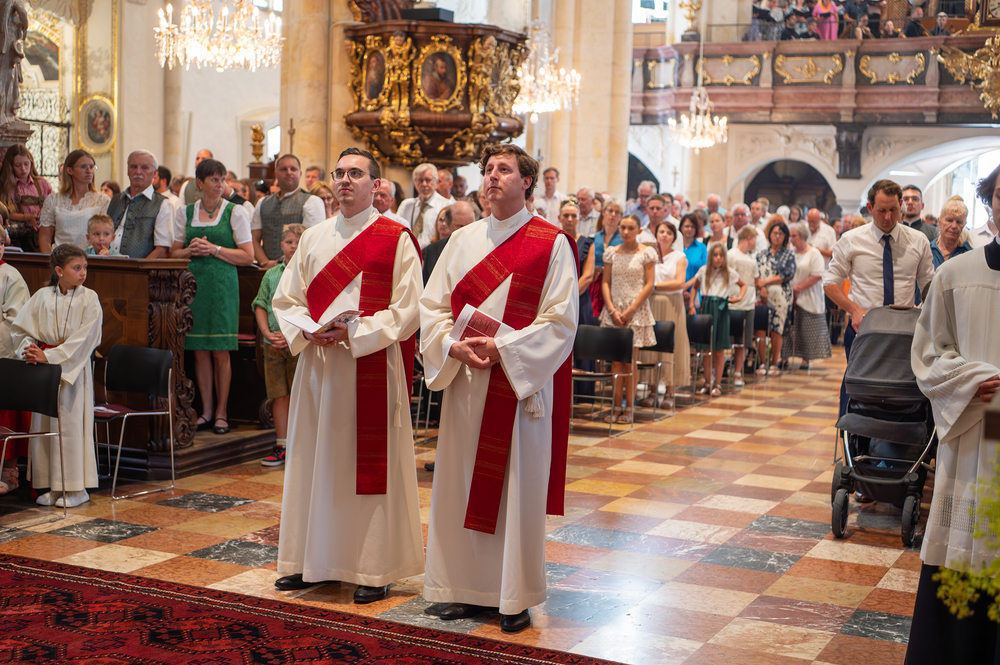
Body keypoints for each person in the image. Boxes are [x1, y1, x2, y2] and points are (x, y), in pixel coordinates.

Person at [419, 143, 577, 633]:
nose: (492, 177)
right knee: (462, 485)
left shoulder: (551, 243)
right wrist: (450, 345)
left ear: (527, 181)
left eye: (504, 170)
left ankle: (514, 596)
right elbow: (433, 308)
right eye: (488, 169)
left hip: (518, 388)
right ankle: (462, 588)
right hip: (467, 384)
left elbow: (560, 321)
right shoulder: (461, 240)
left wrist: (503, 348)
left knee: (515, 491)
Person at [271, 147, 423, 603]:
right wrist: (306, 329)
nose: (344, 180)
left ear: (375, 185)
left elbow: (409, 309)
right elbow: (287, 299)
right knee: (314, 462)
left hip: (368, 365)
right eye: (339, 173)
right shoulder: (314, 238)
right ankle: (312, 561)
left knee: (365, 468)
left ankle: (372, 568)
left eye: (355, 173)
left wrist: (355, 331)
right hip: (319, 370)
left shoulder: (396, 238)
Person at [904, 165, 1000, 665]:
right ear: (991, 202)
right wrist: (969, 380)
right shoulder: (956, 275)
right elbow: (927, 354)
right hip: (976, 423)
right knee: (965, 535)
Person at [824, 179, 935, 421]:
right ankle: (853, 435)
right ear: (870, 207)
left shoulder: (918, 241)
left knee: (902, 392)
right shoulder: (851, 240)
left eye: (893, 210)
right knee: (858, 386)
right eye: (881, 210)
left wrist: (923, 312)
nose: (887, 217)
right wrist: (854, 309)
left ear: (901, 205)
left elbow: (929, 286)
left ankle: (899, 439)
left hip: (904, 332)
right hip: (863, 328)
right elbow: (830, 282)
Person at [11, 244, 102, 508]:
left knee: (70, 428)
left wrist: (49, 356)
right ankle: (52, 485)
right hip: (43, 370)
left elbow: (87, 338)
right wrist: (30, 350)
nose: (83, 273)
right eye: (77, 268)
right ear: (59, 271)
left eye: (85, 267)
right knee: (45, 427)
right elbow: (20, 329)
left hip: (72, 372)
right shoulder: (42, 296)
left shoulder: (89, 298)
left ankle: (75, 489)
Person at [170, 158, 255, 436]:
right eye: (214, 180)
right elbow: (174, 253)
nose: (220, 185)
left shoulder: (235, 212)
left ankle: (222, 412)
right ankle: (206, 411)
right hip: (193, 287)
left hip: (222, 287)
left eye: (223, 180)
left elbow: (248, 256)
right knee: (200, 351)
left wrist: (214, 249)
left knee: (220, 350)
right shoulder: (185, 212)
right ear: (200, 183)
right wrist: (190, 251)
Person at [253, 224, 304, 468]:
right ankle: (282, 445)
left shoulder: (307, 274)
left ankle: (301, 446)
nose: (294, 246)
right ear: (282, 245)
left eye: (299, 242)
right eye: (290, 242)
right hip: (272, 343)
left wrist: (292, 334)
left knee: (300, 394)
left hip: (298, 343)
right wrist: (265, 332)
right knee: (278, 395)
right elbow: (260, 304)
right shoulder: (272, 274)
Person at [600, 214, 657, 423]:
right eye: (622, 227)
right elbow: (605, 282)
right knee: (615, 360)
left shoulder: (646, 253)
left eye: (630, 228)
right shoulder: (612, 252)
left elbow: (650, 284)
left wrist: (631, 310)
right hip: (614, 310)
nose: (625, 232)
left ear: (639, 231)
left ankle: (629, 408)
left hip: (636, 310)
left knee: (630, 360)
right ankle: (616, 407)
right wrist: (612, 310)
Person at [639, 221, 689, 406]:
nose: (665, 235)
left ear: (674, 237)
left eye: (669, 232)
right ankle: (652, 391)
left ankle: (669, 392)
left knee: (672, 345)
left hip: (671, 303)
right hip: (651, 302)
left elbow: (679, 282)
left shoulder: (679, 256)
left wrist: (653, 286)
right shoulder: (649, 254)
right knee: (653, 345)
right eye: (661, 232)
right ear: (656, 235)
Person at [688, 242, 746, 396]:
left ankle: (718, 384)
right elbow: (695, 287)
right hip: (707, 308)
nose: (718, 258)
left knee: (719, 350)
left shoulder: (729, 272)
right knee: (706, 349)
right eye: (715, 255)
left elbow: (744, 285)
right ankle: (707, 383)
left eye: (721, 255)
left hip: (721, 311)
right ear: (710, 257)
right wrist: (692, 305)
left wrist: (739, 298)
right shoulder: (704, 270)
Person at [251, 154, 326, 268]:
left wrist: (278, 263)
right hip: (265, 268)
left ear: (300, 173)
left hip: (298, 269)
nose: (289, 172)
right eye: (284, 169)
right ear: (276, 173)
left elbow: (311, 242)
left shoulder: (312, 201)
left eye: (293, 169)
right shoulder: (262, 202)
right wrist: (266, 264)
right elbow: (254, 239)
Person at [0, 226, 28, 493]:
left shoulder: (10, 276)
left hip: (4, 357)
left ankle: (8, 473)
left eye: (0, 243)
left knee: (6, 414)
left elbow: (14, 321)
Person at [105, 150, 174, 259]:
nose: (138, 172)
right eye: (133, 167)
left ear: (155, 173)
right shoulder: (116, 200)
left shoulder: (163, 204)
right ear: (128, 170)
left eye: (144, 168)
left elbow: (162, 251)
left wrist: (139, 268)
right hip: (107, 265)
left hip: (140, 268)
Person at [38, 150, 109, 253]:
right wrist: (50, 261)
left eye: (91, 167)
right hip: (60, 257)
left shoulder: (102, 200)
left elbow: (106, 236)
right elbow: (44, 239)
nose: (89, 171)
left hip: (89, 257)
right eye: (83, 167)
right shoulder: (53, 200)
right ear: (69, 170)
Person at [784, 222, 831, 369]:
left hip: (809, 295)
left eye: (794, 236)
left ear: (803, 236)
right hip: (791, 296)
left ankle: (806, 359)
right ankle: (785, 358)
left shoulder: (814, 253)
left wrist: (799, 288)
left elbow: (817, 275)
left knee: (806, 328)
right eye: (790, 236)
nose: (791, 239)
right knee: (790, 330)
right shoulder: (791, 252)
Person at [755, 219, 796, 376]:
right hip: (761, 294)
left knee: (776, 329)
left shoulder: (788, 254)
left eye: (780, 234)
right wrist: (762, 287)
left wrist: (765, 282)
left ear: (785, 237)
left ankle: (774, 363)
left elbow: (788, 274)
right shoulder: (761, 254)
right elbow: (756, 274)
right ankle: (762, 363)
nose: (777, 236)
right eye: (774, 233)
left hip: (780, 295)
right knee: (760, 328)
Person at [0, 144, 51, 252]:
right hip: (17, 239)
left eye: (26, 164)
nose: (23, 168)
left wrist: (43, 212)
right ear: (10, 166)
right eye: (18, 165)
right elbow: (6, 213)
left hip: (41, 237)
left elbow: (53, 207)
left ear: (31, 163)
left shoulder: (43, 184)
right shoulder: (5, 186)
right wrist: (28, 217)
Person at [728, 226, 760, 384]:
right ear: (749, 238)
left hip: (748, 304)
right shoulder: (731, 255)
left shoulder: (752, 259)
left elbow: (755, 281)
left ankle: (738, 373)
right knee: (727, 340)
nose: (756, 243)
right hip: (732, 303)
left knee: (742, 341)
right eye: (755, 239)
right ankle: (720, 369)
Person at [558, 199, 596, 326]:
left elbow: (588, 276)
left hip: (578, 298)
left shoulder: (587, 243)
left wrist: (568, 298)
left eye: (574, 216)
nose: (570, 219)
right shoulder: (553, 240)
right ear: (559, 218)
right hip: (555, 298)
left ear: (579, 218)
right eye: (566, 215)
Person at [422, 201, 476, 284]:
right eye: (460, 226)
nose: (466, 230)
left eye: (470, 226)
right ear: (448, 224)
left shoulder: (482, 250)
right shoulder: (432, 250)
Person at [398, 163, 450, 248]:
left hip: (434, 252)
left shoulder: (446, 206)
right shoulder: (406, 205)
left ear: (436, 182)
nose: (424, 184)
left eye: (428, 180)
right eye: (420, 180)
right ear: (415, 182)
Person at [591, 198, 624, 319]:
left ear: (621, 216)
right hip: (595, 285)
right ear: (603, 212)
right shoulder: (593, 238)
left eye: (617, 212)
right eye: (610, 210)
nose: (613, 214)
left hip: (616, 285)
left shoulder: (624, 240)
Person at [930, 195, 973, 269]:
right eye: (949, 220)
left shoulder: (969, 254)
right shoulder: (927, 250)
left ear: (964, 225)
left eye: (959, 222)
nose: (954, 226)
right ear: (939, 222)